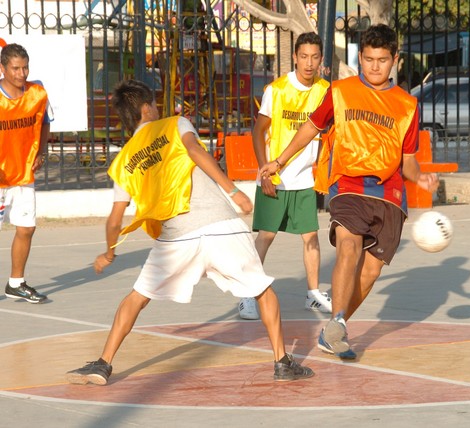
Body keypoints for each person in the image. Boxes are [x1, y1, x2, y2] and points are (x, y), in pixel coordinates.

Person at [65, 79, 314, 385]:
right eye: (154, 103)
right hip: (220, 225)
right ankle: (281, 362)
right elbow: (195, 151)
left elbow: (115, 217)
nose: (157, 107)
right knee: (262, 290)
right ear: (146, 108)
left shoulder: (124, 159)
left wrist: (109, 251)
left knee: (136, 298)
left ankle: (103, 363)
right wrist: (234, 191)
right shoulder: (175, 123)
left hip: (176, 237)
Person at [259, 24, 439, 359]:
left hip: (389, 195)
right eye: (368, 59)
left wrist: (420, 178)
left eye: (382, 60)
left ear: (394, 60)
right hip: (347, 184)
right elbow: (311, 127)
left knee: (370, 271)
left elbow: (408, 160)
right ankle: (339, 319)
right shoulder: (339, 92)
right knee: (348, 246)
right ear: (360, 58)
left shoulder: (407, 105)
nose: (374, 66)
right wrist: (279, 161)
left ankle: (332, 330)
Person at [238, 32, 332, 320]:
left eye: (315, 57)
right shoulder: (276, 90)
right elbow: (258, 131)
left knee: (311, 238)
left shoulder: (326, 90)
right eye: (304, 56)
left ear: (321, 60)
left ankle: (314, 294)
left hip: (304, 177)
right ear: (294, 57)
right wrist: (264, 170)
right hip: (275, 176)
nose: (309, 63)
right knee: (266, 236)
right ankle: (247, 294)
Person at [0, 43, 52, 304]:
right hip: (0, 178)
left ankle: (16, 283)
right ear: (2, 69)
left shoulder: (38, 94)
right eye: (15, 68)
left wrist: (41, 151)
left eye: (25, 67)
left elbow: (44, 124)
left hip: (23, 175)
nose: (21, 74)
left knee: (26, 228)